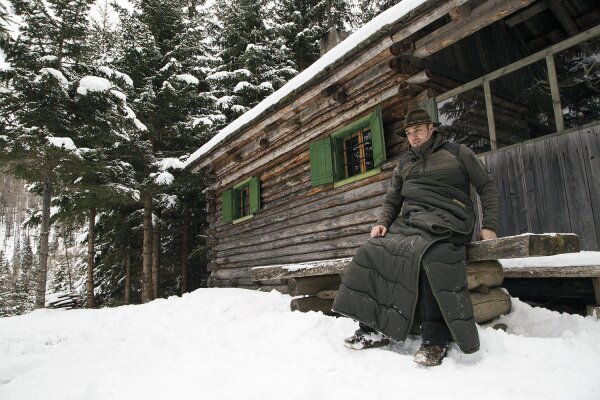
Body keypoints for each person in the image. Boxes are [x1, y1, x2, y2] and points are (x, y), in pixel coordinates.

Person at [331, 108, 499, 367]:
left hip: (450, 221)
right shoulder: (404, 164)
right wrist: (382, 223)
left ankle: (435, 339)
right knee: (371, 250)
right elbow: (392, 199)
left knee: (430, 255)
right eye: (409, 133)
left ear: (432, 128)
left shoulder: (458, 153)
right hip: (412, 223)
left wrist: (490, 226)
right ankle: (372, 327)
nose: (413, 136)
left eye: (418, 130)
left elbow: (486, 186)